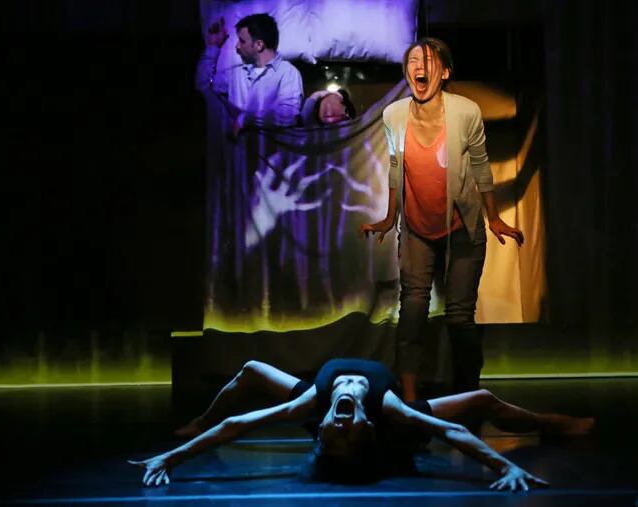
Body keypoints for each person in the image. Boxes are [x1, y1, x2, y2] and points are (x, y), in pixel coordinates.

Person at [130, 358, 594, 490]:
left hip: (339, 406)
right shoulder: (388, 409)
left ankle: (199, 423)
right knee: (484, 400)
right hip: (398, 422)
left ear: (320, 429)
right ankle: (556, 423)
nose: (341, 425)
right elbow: (453, 432)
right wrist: (505, 466)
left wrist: (171, 457)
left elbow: (238, 423)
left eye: (334, 433)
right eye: (348, 432)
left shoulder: (310, 406)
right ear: (367, 427)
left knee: (251, 370)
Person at [359, 38, 524, 401]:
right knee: (412, 310)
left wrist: (494, 217)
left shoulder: (465, 112)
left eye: (429, 61)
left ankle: (468, 395)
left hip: (461, 226)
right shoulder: (394, 115)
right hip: (416, 228)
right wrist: (389, 218)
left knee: (459, 316)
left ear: (445, 72)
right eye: (413, 60)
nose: (420, 66)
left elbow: (480, 165)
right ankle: (409, 400)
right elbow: (395, 166)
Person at [195, 13, 304, 133]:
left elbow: (289, 116)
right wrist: (212, 47)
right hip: (238, 145)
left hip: (269, 144)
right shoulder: (235, 74)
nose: (237, 46)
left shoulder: (288, 73)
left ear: (259, 45)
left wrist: (245, 118)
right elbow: (203, 85)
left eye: (242, 41)